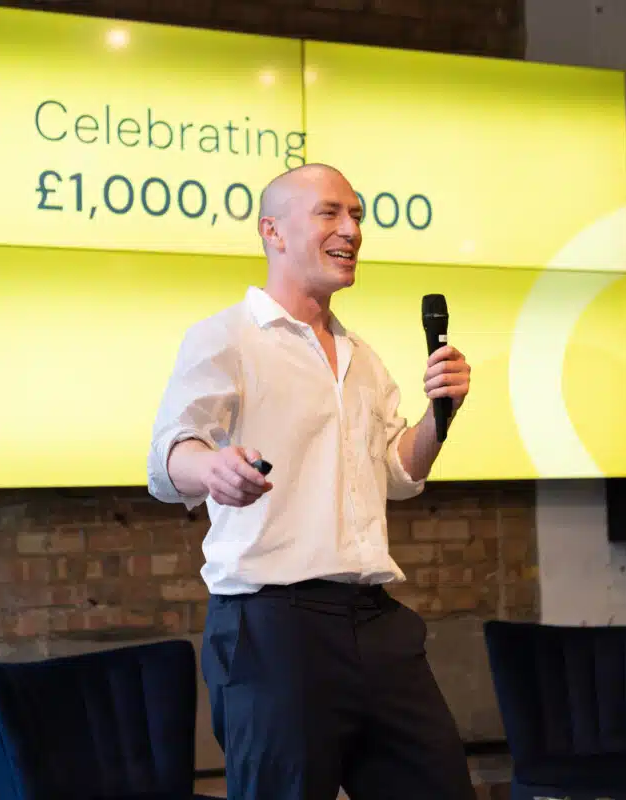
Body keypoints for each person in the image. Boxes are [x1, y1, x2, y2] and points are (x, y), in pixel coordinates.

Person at [147, 163, 475, 800]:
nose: (350, 229)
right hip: (274, 625)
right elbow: (170, 454)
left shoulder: (363, 357)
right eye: (330, 213)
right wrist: (211, 468)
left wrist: (442, 417)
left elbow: (399, 472)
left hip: (374, 621)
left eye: (356, 215)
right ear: (273, 231)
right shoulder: (226, 337)